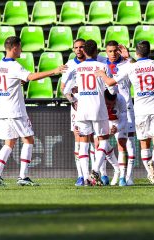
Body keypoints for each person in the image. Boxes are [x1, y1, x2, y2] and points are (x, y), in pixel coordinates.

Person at [96, 41, 154, 184]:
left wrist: (102, 74)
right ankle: (153, 162)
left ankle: (150, 172)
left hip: (140, 111)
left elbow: (111, 83)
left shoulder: (132, 67)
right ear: (149, 52)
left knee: (144, 144)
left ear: (136, 53)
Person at [0, 36, 66, 186]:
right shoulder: (15, 66)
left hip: (2, 110)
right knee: (29, 140)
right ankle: (23, 176)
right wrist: (54, 71)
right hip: (15, 110)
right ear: (14, 48)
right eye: (20, 47)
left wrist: (17, 82)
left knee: (9, 143)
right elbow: (32, 77)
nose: (21, 50)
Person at [64, 40, 111, 186]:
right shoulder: (102, 65)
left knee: (83, 143)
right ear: (97, 50)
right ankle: (95, 171)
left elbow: (65, 90)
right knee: (102, 140)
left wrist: (74, 101)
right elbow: (112, 89)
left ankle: (84, 177)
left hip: (82, 109)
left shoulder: (76, 68)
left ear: (84, 51)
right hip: (98, 107)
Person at [103, 40, 136, 185]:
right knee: (102, 142)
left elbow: (139, 68)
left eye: (115, 50)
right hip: (108, 108)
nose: (113, 54)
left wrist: (129, 57)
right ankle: (114, 172)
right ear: (106, 52)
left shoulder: (127, 63)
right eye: (110, 51)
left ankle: (128, 176)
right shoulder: (102, 64)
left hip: (126, 108)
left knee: (128, 142)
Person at [100, 89, 129, 186]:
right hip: (105, 121)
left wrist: (117, 128)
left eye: (112, 104)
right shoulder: (99, 98)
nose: (110, 106)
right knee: (100, 145)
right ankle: (106, 174)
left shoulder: (121, 100)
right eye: (108, 104)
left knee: (122, 144)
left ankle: (122, 178)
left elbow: (124, 120)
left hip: (118, 122)